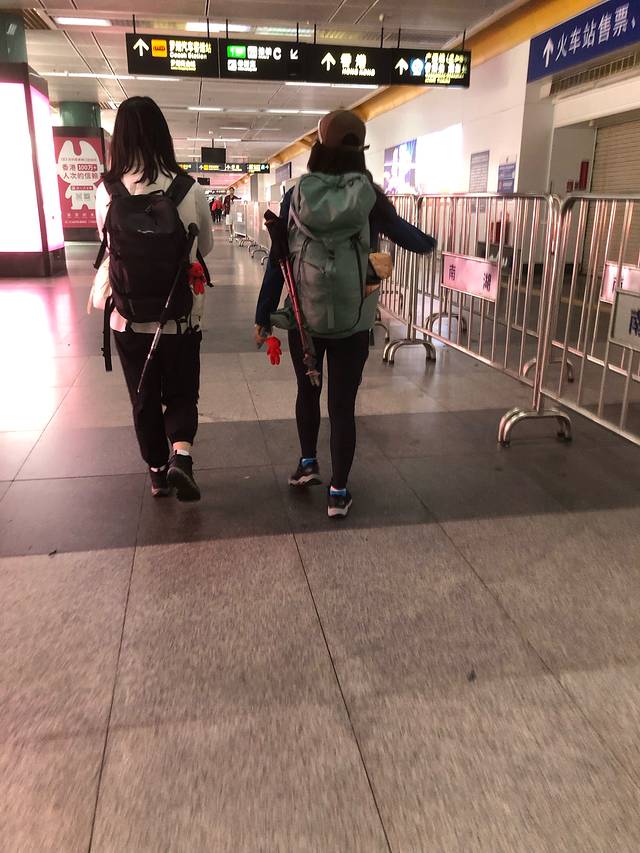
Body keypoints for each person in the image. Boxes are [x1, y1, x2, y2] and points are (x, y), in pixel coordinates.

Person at [254, 110, 436, 519]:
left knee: (307, 392)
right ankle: (338, 492)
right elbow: (410, 238)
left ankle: (307, 464)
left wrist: (263, 312)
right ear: (359, 150)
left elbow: (279, 257)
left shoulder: (296, 195)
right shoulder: (369, 195)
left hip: (305, 316)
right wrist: (430, 241)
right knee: (342, 405)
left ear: (320, 147)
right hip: (354, 321)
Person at [95, 96, 213, 502]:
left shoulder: (106, 190)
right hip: (179, 314)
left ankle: (157, 472)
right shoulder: (187, 188)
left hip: (127, 316)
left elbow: (106, 245)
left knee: (142, 393)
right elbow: (205, 246)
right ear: (163, 135)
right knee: (182, 389)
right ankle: (182, 455)